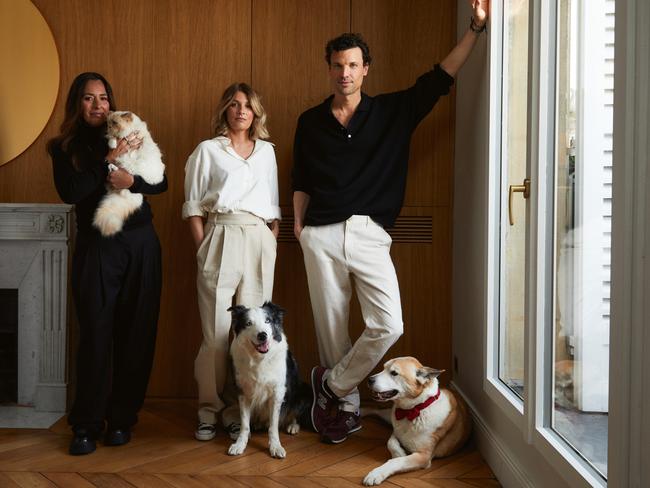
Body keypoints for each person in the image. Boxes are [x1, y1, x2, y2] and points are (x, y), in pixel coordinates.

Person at [292, 1, 489, 444]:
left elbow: (441, 77)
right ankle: (342, 413)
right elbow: (300, 178)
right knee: (331, 328)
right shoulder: (309, 122)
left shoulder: (393, 112)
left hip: (369, 233)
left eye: (353, 65)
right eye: (338, 65)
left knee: (389, 324)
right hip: (319, 234)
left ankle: (333, 386)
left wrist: (475, 29)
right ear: (329, 69)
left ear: (366, 70)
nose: (345, 72)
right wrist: (300, 228)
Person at [48, 72, 167, 455]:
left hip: (141, 243)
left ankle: (121, 420)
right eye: (88, 98)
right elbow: (72, 191)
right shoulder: (63, 147)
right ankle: (85, 424)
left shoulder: (130, 128)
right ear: (76, 104)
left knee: (137, 332)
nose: (98, 105)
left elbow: (159, 183)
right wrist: (109, 161)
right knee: (96, 335)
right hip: (97, 247)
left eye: (103, 97)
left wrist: (132, 179)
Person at [183, 83, 281, 441]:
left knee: (253, 333)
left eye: (249, 106)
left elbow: (273, 206)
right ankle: (208, 410)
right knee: (216, 335)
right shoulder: (207, 151)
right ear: (225, 109)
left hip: (258, 238)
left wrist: (270, 241)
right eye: (235, 105)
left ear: (256, 113)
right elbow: (193, 206)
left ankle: (236, 411)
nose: (242, 111)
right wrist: (203, 248)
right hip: (219, 235)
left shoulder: (267, 153)